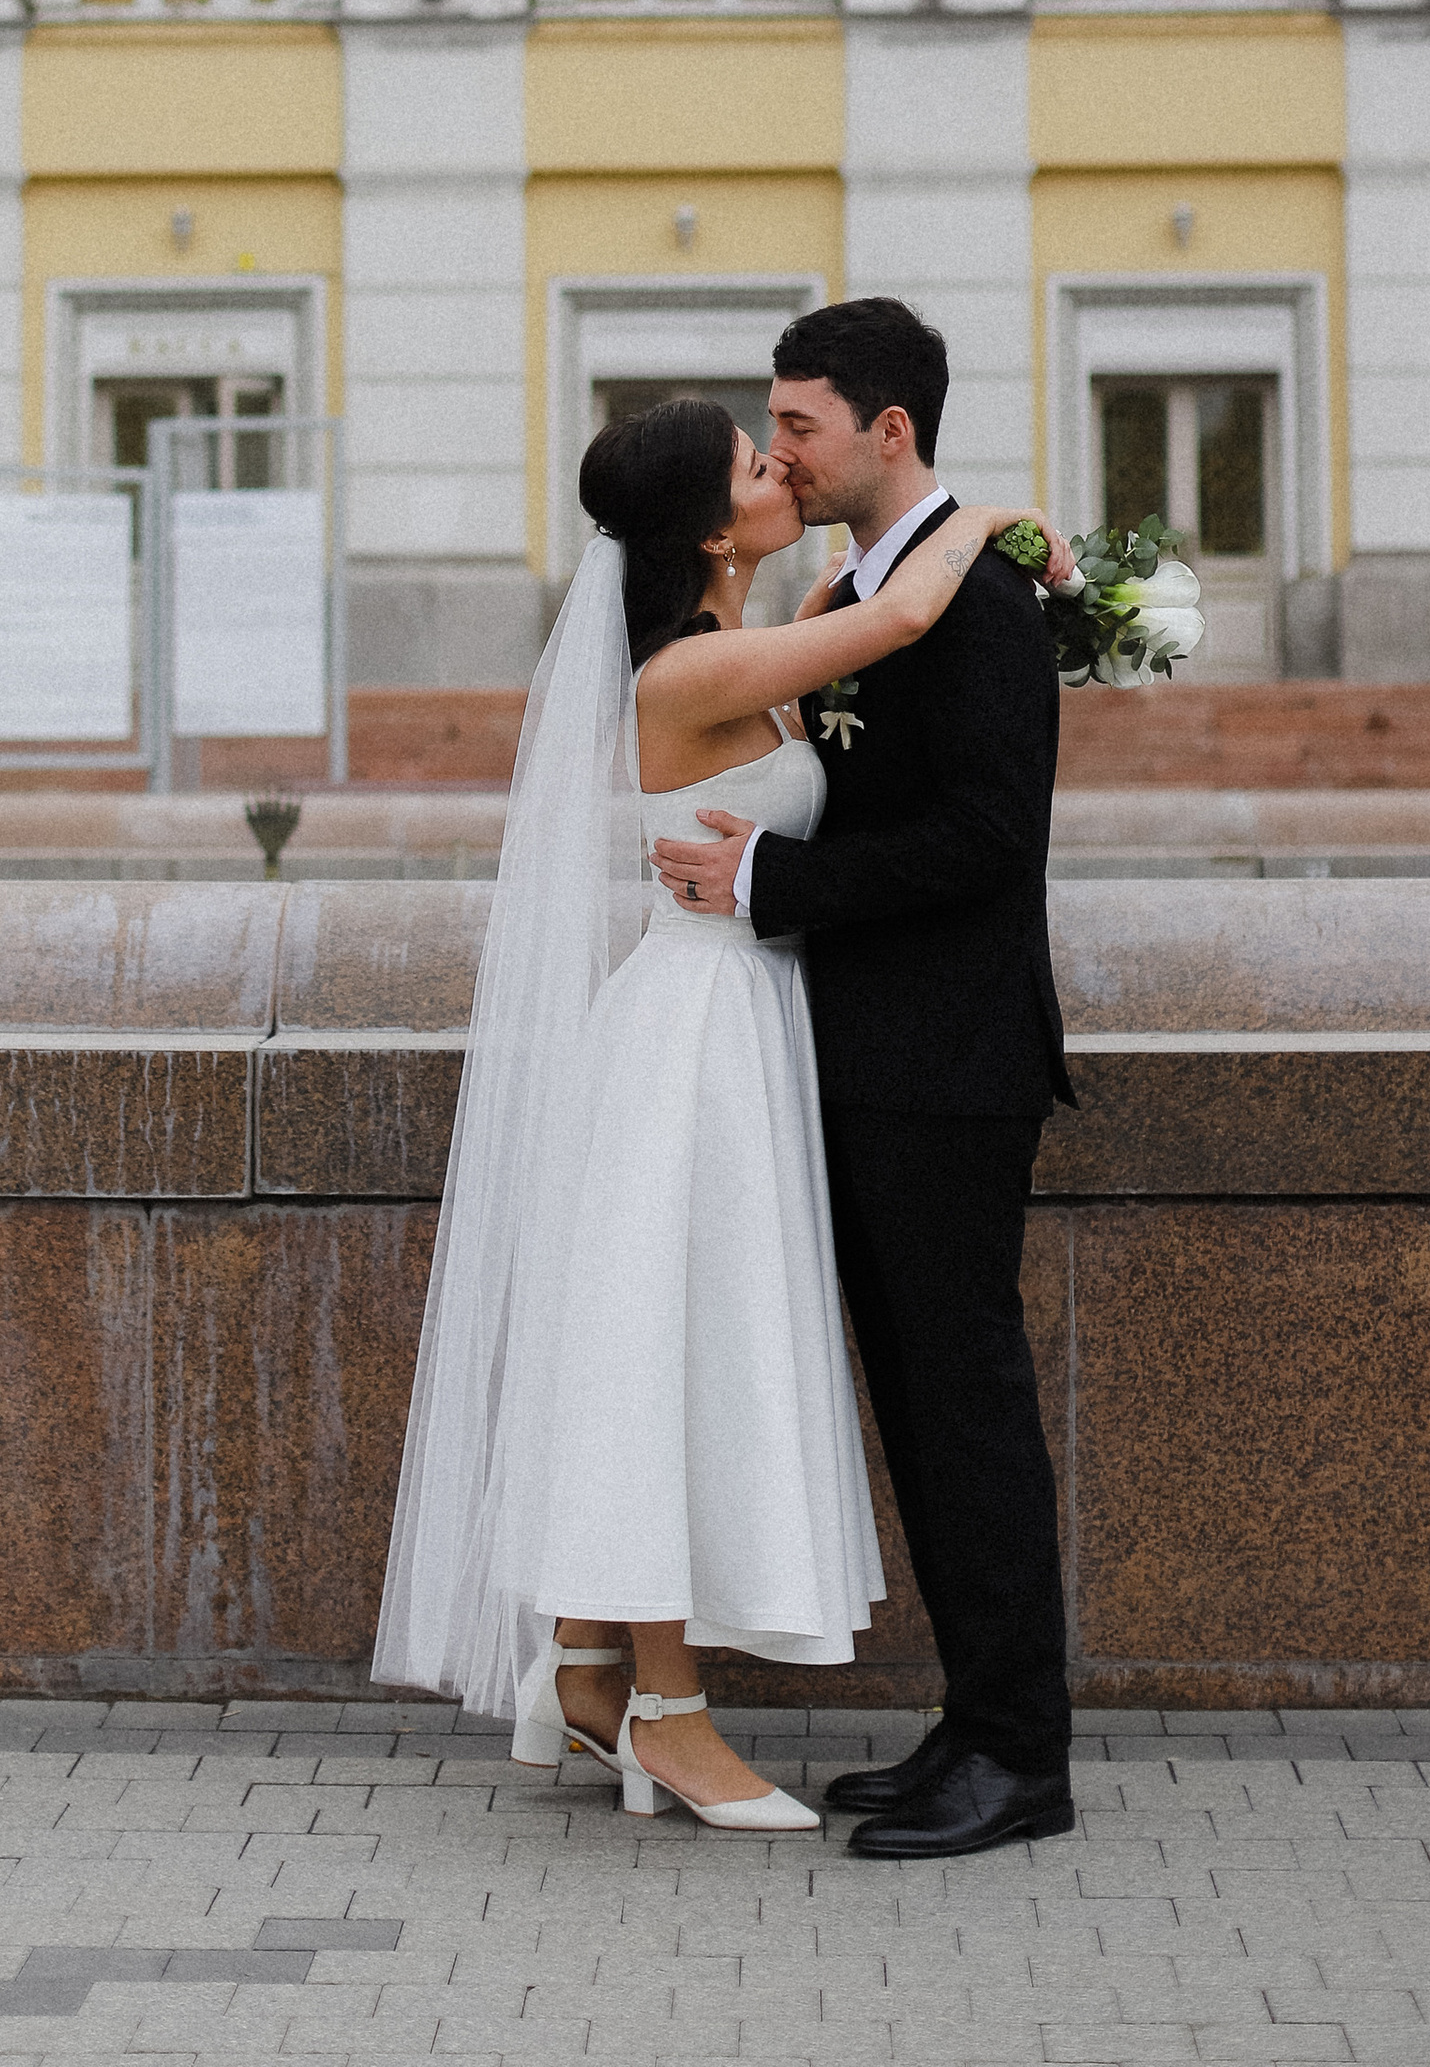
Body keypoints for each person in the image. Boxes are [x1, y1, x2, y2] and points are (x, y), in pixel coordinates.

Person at [372, 387, 1066, 1837]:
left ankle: (585, 1659)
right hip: (697, 1031)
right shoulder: (688, 672)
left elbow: (841, 641)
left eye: (788, 441)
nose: (783, 469)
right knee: (666, 1353)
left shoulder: (732, 645)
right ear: (708, 523)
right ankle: (667, 1717)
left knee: (662, 1341)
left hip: (732, 1021)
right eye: (761, 462)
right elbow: (892, 620)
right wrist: (989, 520)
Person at [650, 296, 1079, 1859]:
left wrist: (773, 882)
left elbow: (985, 841)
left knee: (965, 1411)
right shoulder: (883, 581)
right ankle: (977, 1723)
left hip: (950, 1065)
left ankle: (1025, 1757)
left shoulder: (973, 603)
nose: (785, 452)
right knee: (923, 1406)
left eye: (804, 426)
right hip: (877, 1058)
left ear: (889, 429)